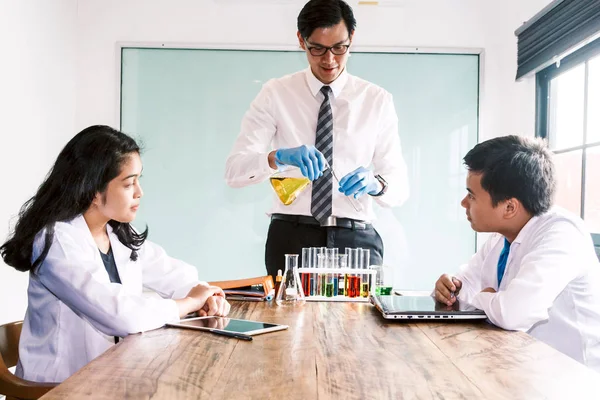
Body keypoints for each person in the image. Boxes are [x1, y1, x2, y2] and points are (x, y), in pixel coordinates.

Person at [0, 125, 230, 383]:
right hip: (58, 389)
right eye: (129, 183)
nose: (139, 192)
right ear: (94, 191)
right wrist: (188, 303)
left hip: (110, 379)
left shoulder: (117, 233)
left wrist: (207, 295)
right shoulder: (55, 242)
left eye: (139, 180)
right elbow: (119, 314)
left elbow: (175, 275)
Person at [225, 0, 409, 279]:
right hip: (291, 236)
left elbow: (399, 187)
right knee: (289, 320)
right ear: (301, 40)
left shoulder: (376, 100)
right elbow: (235, 171)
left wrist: (376, 183)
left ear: (352, 39)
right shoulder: (275, 94)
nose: (330, 60)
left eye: (339, 48)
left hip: (356, 239)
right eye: (318, 49)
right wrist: (278, 157)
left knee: (361, 322)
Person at [433, 135, 600, 371]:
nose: (463, 203)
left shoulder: (562, 234)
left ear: (509, 207)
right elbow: (463, 290)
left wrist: (481, 298)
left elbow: (513, 313)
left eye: (471, 195)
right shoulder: (502, 235)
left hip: (573, 380)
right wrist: (450, 289)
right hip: (523, 366)